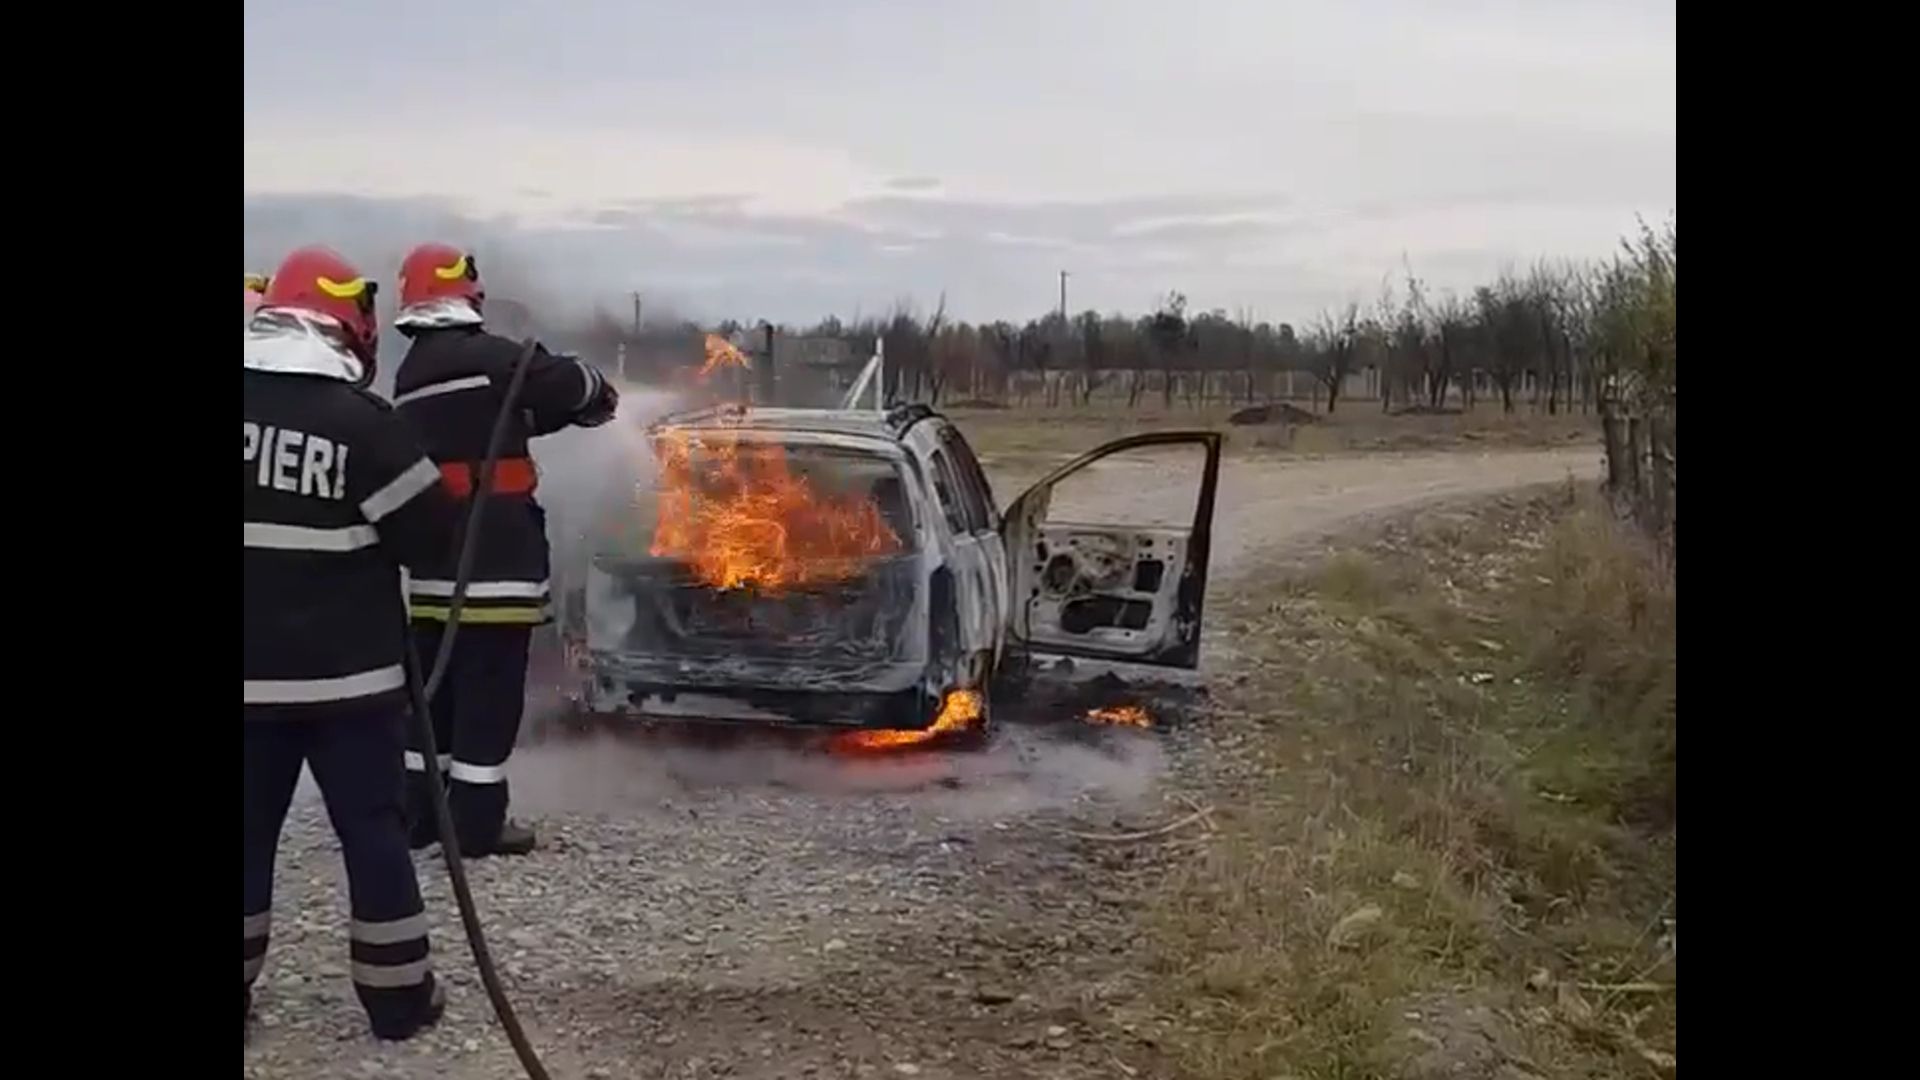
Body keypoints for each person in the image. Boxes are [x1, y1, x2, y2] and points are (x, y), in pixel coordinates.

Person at [244, 246, 457, 1041]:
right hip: (350, 688)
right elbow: (431, 538)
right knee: (373, 834)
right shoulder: (364, 426)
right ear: (347, 323)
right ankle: (398, 1002)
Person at [391, 242, 618, 857]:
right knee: (488, 700)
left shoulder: (413, 375)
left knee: (434, 701)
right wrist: (588, 383)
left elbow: (503, 421)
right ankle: (476, 825)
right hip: (495, 566)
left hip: (436, 573)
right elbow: (575, 385)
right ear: (468, 296)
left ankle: (419, 816)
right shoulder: (492, 358)